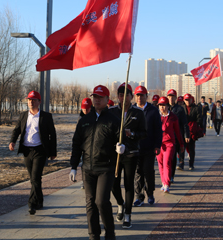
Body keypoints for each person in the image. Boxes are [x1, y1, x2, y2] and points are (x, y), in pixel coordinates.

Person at [69, 85, 120, 240]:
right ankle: (93, 235)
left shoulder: (114, 120)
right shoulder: (85, 121)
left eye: (100, 97)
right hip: (88, 168)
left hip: (106, 167)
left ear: (106, 99)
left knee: (102, 202)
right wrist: (73, 166)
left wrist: (122, 147)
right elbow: (77, 144)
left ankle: (110, 233)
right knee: (90, 203)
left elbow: (122, 139)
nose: (96, 100)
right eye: (94, 97)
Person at [9, 90, 57, 215]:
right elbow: (17, 130)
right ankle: (40, 200)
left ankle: (32, 204)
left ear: (39, 102)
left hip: (40, 150)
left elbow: (53, 135)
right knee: (34, 179)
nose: (31, 102)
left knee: (35, 177)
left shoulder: (46, 116)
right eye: (29, 100)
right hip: (26, 150)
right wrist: (12, 141)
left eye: (34, 100)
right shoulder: (24, 115)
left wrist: (53, 152)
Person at [109, 83, 147, 228]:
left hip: (131, 153)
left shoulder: (137, 113)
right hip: (116, 154)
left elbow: (144, 133)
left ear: (131, 96)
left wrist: (132, 135)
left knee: (129, 184)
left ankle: (128, 215)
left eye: (126, 95)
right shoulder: (111, 111)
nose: (123, 98)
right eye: (120, 95)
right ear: (118, 97)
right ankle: (120, 203)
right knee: (113, 183)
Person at [133, 85, 162, 206]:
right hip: (135, 147)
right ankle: (139, 196)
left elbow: (158, 129)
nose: (140, 98)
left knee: (148, 171)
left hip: (149, 147)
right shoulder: (132, 109)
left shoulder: (153, 110)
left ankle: (150, 193)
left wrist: (157, 145)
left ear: (146, 96)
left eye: (142, 95)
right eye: (138, 95)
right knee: (138, 172)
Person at [157, 97, 184, 193]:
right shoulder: (156, 116)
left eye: (164, 105)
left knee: (167, 162)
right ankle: (163, 182)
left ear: (168, 106)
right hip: (159, 144)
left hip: (169, 143)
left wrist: (181, 144)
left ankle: (167, 183)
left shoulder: (173, 117)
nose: (162, 107)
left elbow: (178, 131)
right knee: (160, 164)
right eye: (160, 105)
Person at [167, 89, 190, 181]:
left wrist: (186, 135)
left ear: (176, 98)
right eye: (169, 96)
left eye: (173, 97)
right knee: (167, 158)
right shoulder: (163, 107)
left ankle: (171, 176)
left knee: (172, 158)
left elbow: (185, 123)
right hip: (166, 137)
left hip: (176, 137)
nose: (171, 98)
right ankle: (166, 175)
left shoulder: (180, 109)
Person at [178, 94, 201, 171]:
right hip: (183, 131)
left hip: (192, 131)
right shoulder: (181, 108)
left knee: (191, 148)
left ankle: (191, 164)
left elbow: (199, 119)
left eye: (189, 100)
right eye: (186, 100)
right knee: (182, 148)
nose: (188, 101)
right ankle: (181, 164)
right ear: (184, 100)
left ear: (192, 100)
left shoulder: (196, 108)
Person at [79, 97, 93, 190]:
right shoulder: (80, 119)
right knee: (83, 164)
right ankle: (85, 181)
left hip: (92, 145)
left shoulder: (94, 117)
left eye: (87, 108)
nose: (85, 110)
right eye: (83, 108)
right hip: (83, 146)